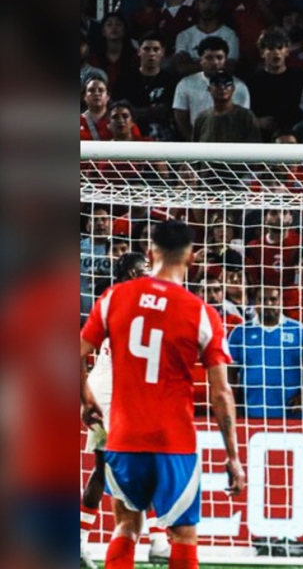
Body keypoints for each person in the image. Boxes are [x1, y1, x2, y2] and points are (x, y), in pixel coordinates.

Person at [80, 220, 243, 569]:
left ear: (150, 251)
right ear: (190, 259)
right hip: (174, 440)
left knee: (126, 526)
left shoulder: (113, 299)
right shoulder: (202, 313)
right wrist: (233, 456)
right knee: (183, 536)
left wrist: (85, 398)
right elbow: (221, 392)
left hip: (124, 437)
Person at [79, 253, 170, 569]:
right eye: (144, 269)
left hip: (112, 386)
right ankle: (158, 541)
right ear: (131, 272)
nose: (149, 273)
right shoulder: (126, 300)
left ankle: (77, 542)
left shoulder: (120, 299)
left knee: (105, 468)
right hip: (111, 388)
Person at [228, 286, 303, 418]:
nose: (268, 304)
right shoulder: (239, 332)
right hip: (253, 410)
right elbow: (230, 371)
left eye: (273, 299)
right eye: (262, 300)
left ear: (281, 301)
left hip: (291, 413)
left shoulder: (298, 330)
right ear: (255, 303)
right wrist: (234, 401)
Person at [172, 36, 250, 140]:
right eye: (209, 58)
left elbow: (242, 120)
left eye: (219, 57)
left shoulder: (240, 87)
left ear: (226, 60)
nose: (215, 62)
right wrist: (194, 141)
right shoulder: (185, 84)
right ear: (200, 60)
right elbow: (180, 118)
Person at [115, 32, 178, 141]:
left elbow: (167, 111)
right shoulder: (124, 80)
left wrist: (136, 111)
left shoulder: (171, 81)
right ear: (139, 51)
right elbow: (119, 109)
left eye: (156, 49)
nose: (151, 53)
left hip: (163, 138)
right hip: (132, 137)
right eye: (146, 49)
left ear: (162, 52)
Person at [191, 70, 260, 143]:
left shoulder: (246, 117)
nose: (222, 87)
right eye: (217, 84)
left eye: (227, 84)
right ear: (209, 89)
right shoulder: (201, 118)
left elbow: (255, 147)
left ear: (233, 88)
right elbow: (195, 147)